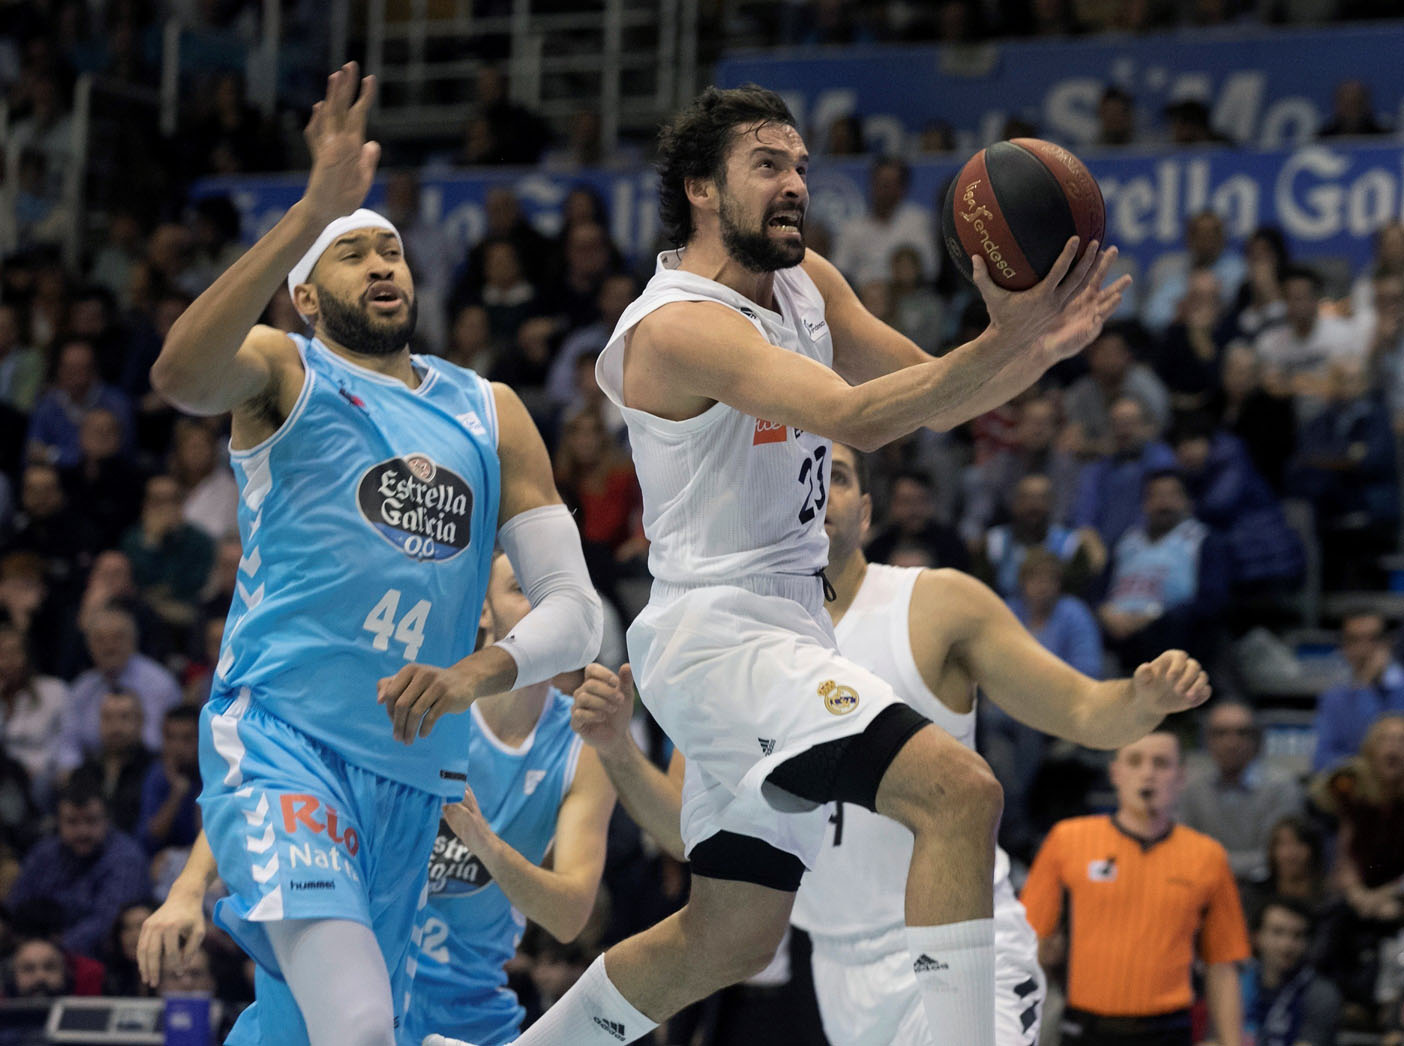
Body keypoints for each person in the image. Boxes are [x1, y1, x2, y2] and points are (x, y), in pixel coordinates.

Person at [418, 81, 1134, 1046]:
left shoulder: (808, 285)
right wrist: (1006, 339)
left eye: (800, 165)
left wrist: (1034, 344)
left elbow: (931, 395)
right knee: (960, 794)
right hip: (717, 631)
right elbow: (859, 417)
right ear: (701, 189)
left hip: (780, 626)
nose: (796, 183)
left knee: (731, 937)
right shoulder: (674, 325)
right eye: (768, 165)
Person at [145, 63, 601, 1046]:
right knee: (356, 1026)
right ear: (306, 294)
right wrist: (314, 204)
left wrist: (476, 670)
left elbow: (574, 607)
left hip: (410, 774)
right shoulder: (284, 369)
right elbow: (180, 372)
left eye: (390, 248)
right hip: (284, 736)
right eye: (353, 254)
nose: (383, 263)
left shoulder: (490, 409)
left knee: (322, 1030)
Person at [563, 441, 1209, 1046]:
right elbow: (686, 835)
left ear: (867, 511)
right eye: (801, 474)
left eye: (836, 475)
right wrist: (618, 748)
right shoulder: (736, 652)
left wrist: (1144, 700)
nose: (817, 491)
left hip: (961, 944)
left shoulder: (935, 606)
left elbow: (1082, 709)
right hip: (838, 971)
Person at [400, 554, 617, 1046]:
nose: (542, 605)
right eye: (522, 587)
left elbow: (568, 919)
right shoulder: (422, 697)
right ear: (481, 609)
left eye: (554, 593)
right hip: (375, 986)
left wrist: (486, 845)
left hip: (472, 1010)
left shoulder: (581, 746)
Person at [1021, 732, 1250, 1046]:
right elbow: (1027, 943)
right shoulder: (1068, 841)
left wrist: (1231, 1041)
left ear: (1181, 776)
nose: (1148, 773)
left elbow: (1222, 964)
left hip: (1168, 1029)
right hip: (1086, 1028)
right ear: (1115, 773)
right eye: (1135, 761)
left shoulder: (1206, 856)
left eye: (1161, 763)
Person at [9, 780, 150, 959]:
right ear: (58, 822)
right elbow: (16, 905)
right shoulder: (44, 854)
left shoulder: (126, 859)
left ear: (107, 820)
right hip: (37, 955)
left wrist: (51, 952)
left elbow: (105, 924)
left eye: (91, 821)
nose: (82, 831)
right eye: (72, 822)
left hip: (101, 961)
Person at [1179, 701, 1303, 882]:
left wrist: (1213, 863)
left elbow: (1280, 856)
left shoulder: (1282, 787)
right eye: (1220, 733)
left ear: (1258, 740)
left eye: (1242, 733)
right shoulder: (1189, 789)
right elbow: (1182, 851)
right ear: (1206, 740)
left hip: (1265, 888)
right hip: (1202, 886)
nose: (1231, 743)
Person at [1312, 611, 1404, 773]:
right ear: (1344, 647)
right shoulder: (1333, 698)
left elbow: (1381, 747)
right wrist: (1364, 687)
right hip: (1357, 788)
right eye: (1354, 640)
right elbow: (1322, 760)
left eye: (1372, 639)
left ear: (1387, 643)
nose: (1364, 649)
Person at [1241, 897, 1341, 1046]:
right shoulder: (1236, 985)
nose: (1287, 945)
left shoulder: (1322, 994)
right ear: (1256, 937)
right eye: (1278, 932)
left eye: (1298, 935)